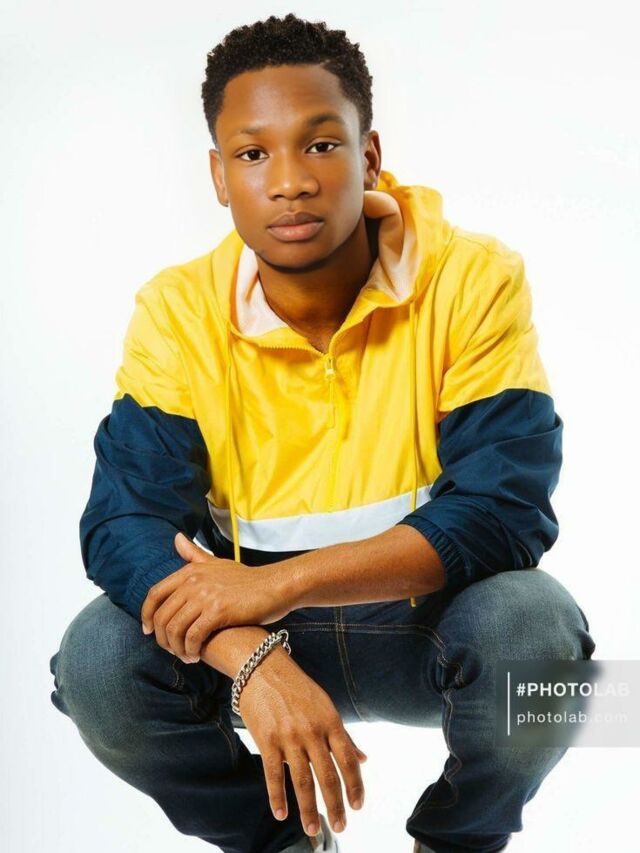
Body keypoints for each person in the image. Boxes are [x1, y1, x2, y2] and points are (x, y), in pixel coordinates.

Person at [48, 13, 596, 853]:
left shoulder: (473, 278)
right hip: (258, 642)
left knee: (548, 647)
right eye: (252, 154)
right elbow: (122, 527)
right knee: (94, 662)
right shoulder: (177, 311)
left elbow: (504, 514)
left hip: (431, 626)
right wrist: (251, 656)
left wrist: (275, 585)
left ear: (368, 156)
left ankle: (456, 844)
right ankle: (286, 848)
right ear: (219, 175)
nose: (290, 182)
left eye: (321, 145)